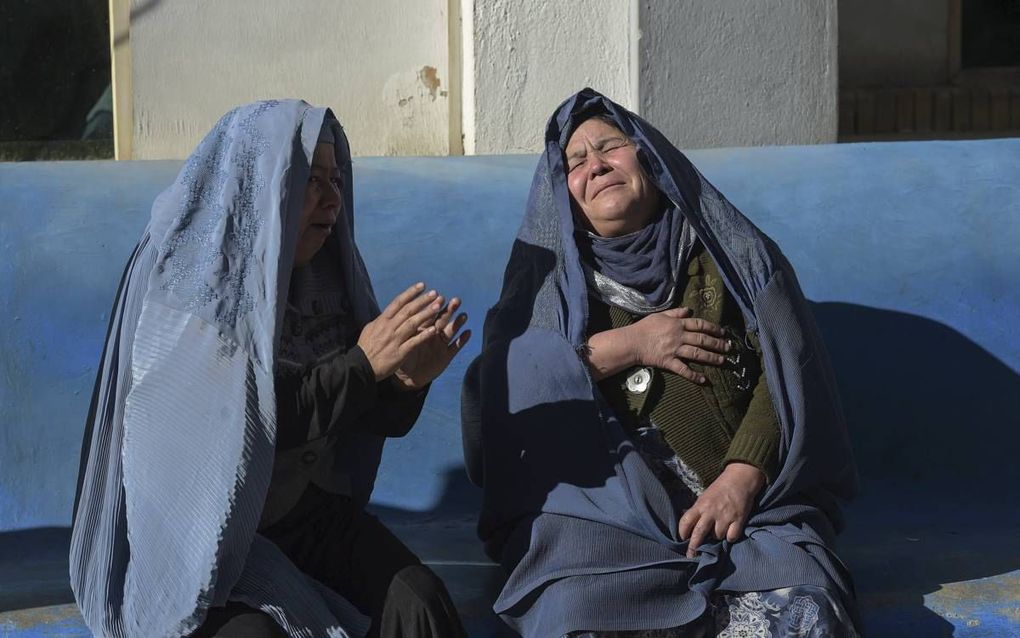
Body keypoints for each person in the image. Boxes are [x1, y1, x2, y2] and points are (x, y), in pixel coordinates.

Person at [462, 88, 860, 637]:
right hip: (603, 520)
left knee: (803, 609)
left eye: (610, 147)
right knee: (577, 617)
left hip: (746, 509)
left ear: (646, 154)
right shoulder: (545, 289)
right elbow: (500, 393)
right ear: (563, 193)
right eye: (575, 163)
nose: (595, 166)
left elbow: (790, 368)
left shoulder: (733, 256)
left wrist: (744, 473)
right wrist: (634, 344)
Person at [70, 100, 470, 638]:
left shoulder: (326, 275)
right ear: (262, 184)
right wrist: (364, 366)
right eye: (311, 179)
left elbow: (360, 413)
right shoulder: (194, 282)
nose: (332, 198)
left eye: (336, 179)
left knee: (416, 600)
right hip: (196, 534)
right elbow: (234, 426)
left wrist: (404, 382)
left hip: (294, 514)